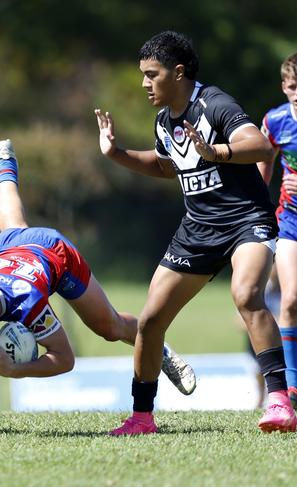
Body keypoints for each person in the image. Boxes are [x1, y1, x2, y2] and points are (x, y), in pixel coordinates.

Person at [94, 31, 296, 435]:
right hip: (197, 229)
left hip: (245, 221)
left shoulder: (215, 104)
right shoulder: (164, 119)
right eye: (143, 75)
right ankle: (141, 417)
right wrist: (116, 153)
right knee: (151, 320)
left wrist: (216, 151)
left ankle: (279, 402)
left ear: (178, 72)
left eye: (152, 75)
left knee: (246, 295)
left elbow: (256, 144)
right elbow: (166, 166)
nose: (144, 83)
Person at [0, 139, 196, 397]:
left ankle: (162, 352)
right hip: (12, 249)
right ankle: (5, 163)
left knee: (109, 328)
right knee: (13, 226)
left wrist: (16, 371)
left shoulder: (29, 305)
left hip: (55, 255)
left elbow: (65, 359)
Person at [257, 52, 297, 408]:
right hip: (290, 222)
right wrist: (256, 209)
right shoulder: (275, 121)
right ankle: (293, 389)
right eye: (293, 86)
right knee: (291, 299)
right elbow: (263, 165)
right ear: (285, 87)